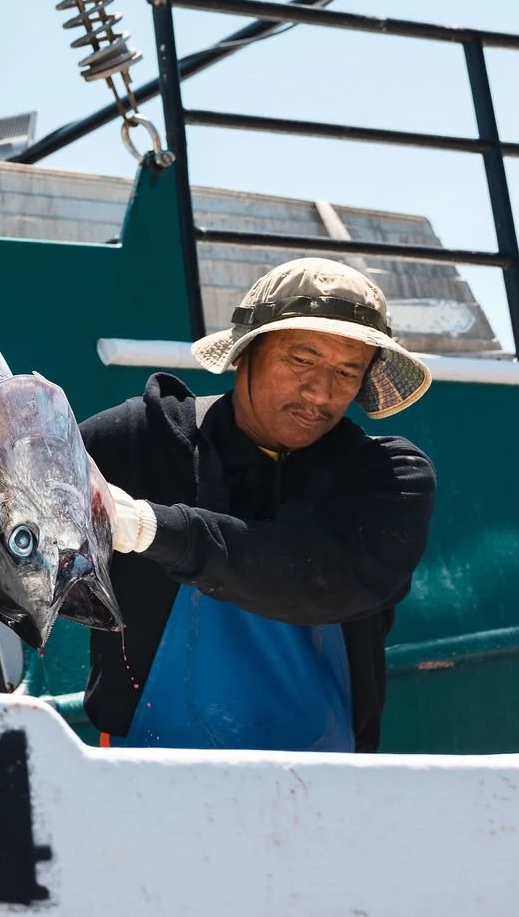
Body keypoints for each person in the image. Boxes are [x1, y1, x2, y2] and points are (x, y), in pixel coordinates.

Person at [78, 258, 437, 752]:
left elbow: (315, 578)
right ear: (245, 352)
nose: (320, 391)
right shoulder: (139, 439)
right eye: (301, 360)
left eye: (346, 372)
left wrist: (146, 527)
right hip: (141, 776)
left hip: (326, 789)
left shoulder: (387, 478)